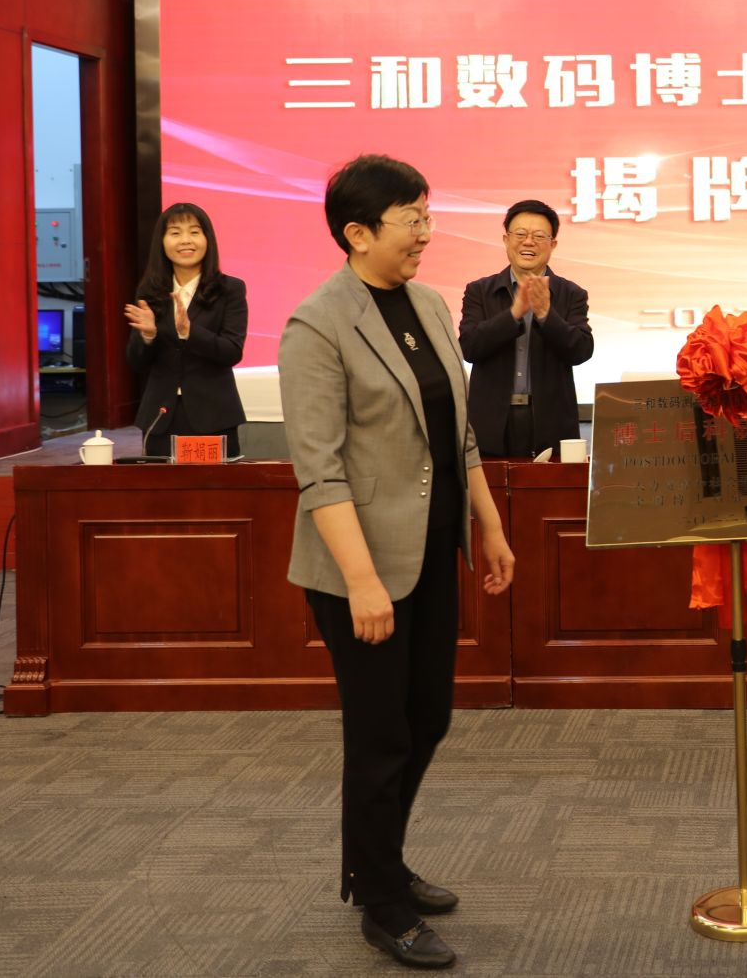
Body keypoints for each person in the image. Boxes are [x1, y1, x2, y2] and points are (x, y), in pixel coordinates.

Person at [281, 155, 516, 971]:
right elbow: (320, 470)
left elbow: (459, 433)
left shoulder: (428, 304)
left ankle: (375, 858)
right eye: (410, 218)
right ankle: (382, 901)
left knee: (428, 717)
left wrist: (490, 525)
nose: (425, 232)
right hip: (362, 569)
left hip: (430, 552)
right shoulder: (317, 325)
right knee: (380, 733)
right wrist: (361, 581)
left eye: (426, 214)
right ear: (357, 232)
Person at [459, 199, 594, 459]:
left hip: (551, 422)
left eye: (539, 236)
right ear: (506, 239)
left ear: (553, 244)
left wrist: (545, 315)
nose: (528, 242)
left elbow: (581, 350)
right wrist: (513, 315)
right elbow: (469, 347)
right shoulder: (479, 291)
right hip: (490, 423)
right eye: (520, 234)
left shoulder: (571, 294)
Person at [123, 202, 247, 458]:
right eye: (175, 233)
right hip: (160, 416)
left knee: (215, 485)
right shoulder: (150, 292)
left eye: (194, 232)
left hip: (213, 415)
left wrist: (191, 332)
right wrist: (148, 335)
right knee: (162, 484)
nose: (185, 241)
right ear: (162, 242)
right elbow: (137, 362)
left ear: (207, 239)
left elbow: (232, 352)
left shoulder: (230, 289)